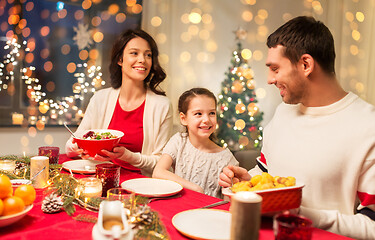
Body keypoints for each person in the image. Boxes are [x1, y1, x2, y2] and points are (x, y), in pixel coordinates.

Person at [219, 16, 375, 239]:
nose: (269, 80)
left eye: (275, 68)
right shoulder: (284, 112)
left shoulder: (368, 127)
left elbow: (372, 225)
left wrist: (300, 216)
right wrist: (249, 182)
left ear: (306, 65)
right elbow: (266, 172)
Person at [65, 29, 173, 177]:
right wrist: (80, 148)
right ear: (120, 60)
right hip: (101, 178)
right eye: (134, 53)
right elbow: (72, 144)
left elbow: (160, 162)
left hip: (141, 185)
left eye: (148, 55)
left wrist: (126, 156)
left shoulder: (162, 106)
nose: (142, 59)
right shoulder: (100, 99)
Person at [153, 88, 238, 198]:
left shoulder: (227, 159)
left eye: (212, 113)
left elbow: (229, 201)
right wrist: (195, 188)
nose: (206, 119)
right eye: (198, 113)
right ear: (184, 119)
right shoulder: (179, 141)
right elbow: (158, 172)